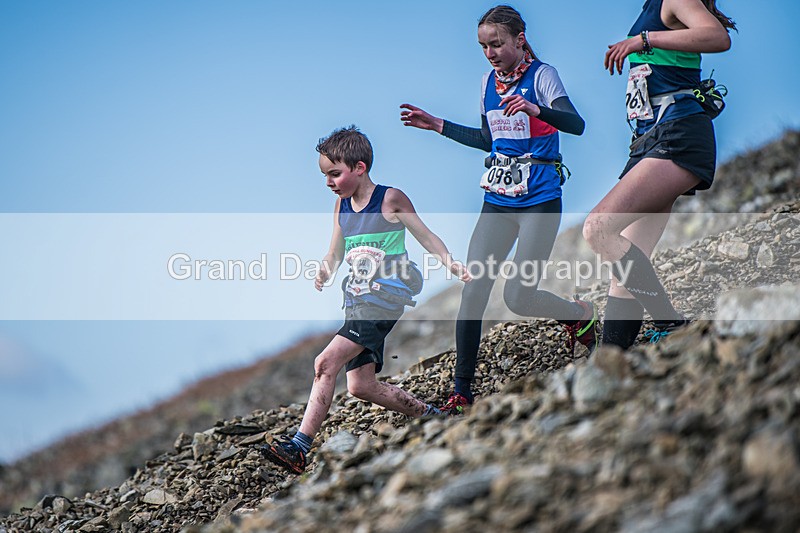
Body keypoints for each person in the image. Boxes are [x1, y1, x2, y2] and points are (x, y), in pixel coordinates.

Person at [400, 5, 591, 414]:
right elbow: (489, 140)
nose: (490, 53)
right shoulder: (488, 82)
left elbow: (576, 124)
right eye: (484, 46)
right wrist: (438, 125)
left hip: (540, 200)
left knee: (518, 296)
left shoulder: (543, 76)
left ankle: (578, 315)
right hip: (498, 202)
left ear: (519, 40)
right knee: (474, 290)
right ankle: (461, 393)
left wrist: (536, 109)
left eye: (497, 44)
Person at [260, 126, 470, 473]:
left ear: (359, 167)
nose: (329, 182)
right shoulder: (341, 206)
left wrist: (450, 263)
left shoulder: (390, 199)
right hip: (356, 301)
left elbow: (426, 235)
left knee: (325, 363)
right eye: (324, 175)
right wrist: (325, 270)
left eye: (334, 173)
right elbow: (335, 250)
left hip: (384, 299)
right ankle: (433, 416)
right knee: (361, 385)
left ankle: (299, 447)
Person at [582, 0, 735, 350]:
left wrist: (643, 40)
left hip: (677, 134)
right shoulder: (651, 5)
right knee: (625, 272)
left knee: (598, 228)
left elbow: (718, 37)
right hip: (648, 140)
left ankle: (669, 321)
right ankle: (609, 361)